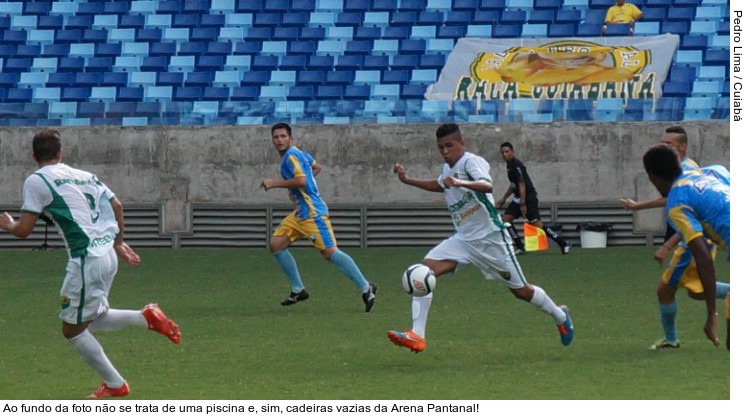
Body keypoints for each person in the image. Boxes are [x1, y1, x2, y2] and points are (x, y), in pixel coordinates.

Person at [0, 129, 181, 399]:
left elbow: (25, 230)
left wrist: (8, 224)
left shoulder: (37, 180)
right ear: (60, 154)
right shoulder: (85, 175)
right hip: (106, 254)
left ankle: (115, 384)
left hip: (86, 260)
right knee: (93, 319)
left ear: (33, 155)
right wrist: (119, 242)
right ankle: (145, 317)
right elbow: (117, 205)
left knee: (71, 330)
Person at [386, 123, 574, 353]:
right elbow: (440, 185)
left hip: (491, 240)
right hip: (463, 241)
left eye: (449, 146)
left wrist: (460, 182)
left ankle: (560, 316)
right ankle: (417, 335)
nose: (445, 151)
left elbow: (487, 185)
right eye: (440, 148)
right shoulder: (447, 170)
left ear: (461, 144)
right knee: (423, 271)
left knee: (521, 291)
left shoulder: (471, 162)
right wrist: (407, 180)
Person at [621, 126, 729, 350]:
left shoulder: (677, 203)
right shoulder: (714, 171)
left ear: (652, 177)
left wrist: (711, 315)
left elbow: (703, 257)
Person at [260, 123, 377, 311]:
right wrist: (299, 188)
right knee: (275, 245)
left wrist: (274, 183)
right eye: (276, 137)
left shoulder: (291, 156)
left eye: (283, 136)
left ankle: (366, 286)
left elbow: (302, 180)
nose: (279, 140)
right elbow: (316, 167)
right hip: (300, 214)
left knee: (330, 252)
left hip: (313, 214)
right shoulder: (300, 154)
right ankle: (298, 289)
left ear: (291, 138)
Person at [495, 142, 570, 255]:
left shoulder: (516, 165)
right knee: (505, 220)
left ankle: (563, 243)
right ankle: (520, 246)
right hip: (518, 198)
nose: (505, 154)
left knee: (537, 224)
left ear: (512, 152)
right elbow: (513, 185)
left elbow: (522, 184)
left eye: (507, 152)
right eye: (502, 153)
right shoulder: (509, 166)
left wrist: (523, 204)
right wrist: (504, 198)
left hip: (528, 198)